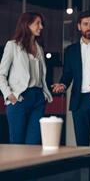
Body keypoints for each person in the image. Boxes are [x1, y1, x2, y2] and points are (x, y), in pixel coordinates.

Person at [51, 11, 90, 181]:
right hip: (79, 102)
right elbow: (67, 75)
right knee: (82, 147)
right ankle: (86, 179)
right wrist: (62, 84)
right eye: (85, 24)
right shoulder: (70, 50)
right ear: (79, 27)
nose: (89, 27)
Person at [0, 11, 53, 144]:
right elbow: (1, 74)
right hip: (20, 97)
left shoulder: (39, 48)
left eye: (41, 24)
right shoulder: (12, 45)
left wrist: (44, 95)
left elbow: (41, 76)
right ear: (27, 25)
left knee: (34, 144)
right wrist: (9, 95)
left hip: (38, 98)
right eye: (37, 23)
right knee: (17, 143)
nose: (41, 27)